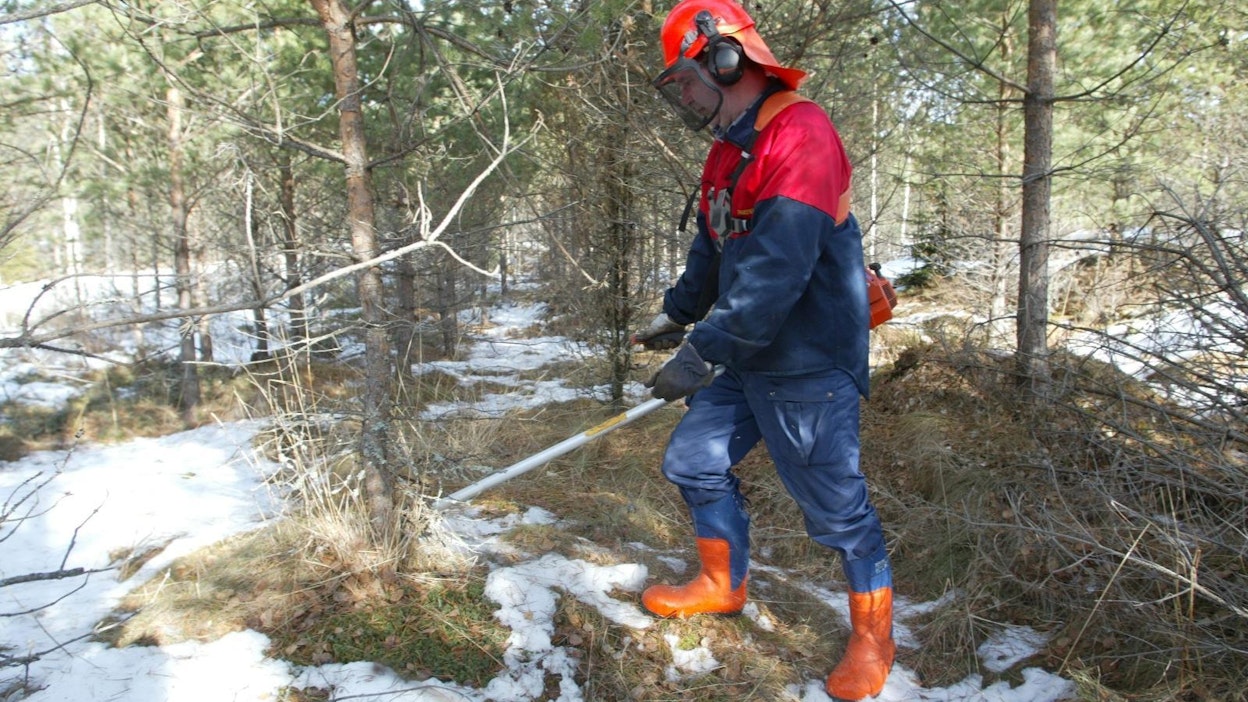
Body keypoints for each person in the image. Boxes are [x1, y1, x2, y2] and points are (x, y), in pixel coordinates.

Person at [632, 1, 894, 699]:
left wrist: (701, 351)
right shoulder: (729, 147)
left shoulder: (800, 135)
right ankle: (722, 583)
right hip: (747, 354)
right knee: (692, 460)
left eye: (685, 79)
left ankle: (874, 637)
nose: (683, 96)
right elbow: (714, 246)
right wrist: (678, 314)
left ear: (724, 60)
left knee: (836, 510)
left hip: (806, 359)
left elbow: (779, 268)